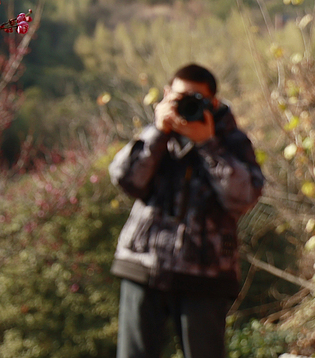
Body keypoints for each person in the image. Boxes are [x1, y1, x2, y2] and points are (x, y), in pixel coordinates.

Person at [109, 64, 264, 358]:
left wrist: (208, 144)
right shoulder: (158, 133)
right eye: (181, 97)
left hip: (207, 273)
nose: (187, 104)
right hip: (144, 264)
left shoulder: (232, 140)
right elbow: (125, 179)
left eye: (197, 99)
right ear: (167, 94)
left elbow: (243, 198)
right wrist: (157, 132)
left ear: (213, 103)